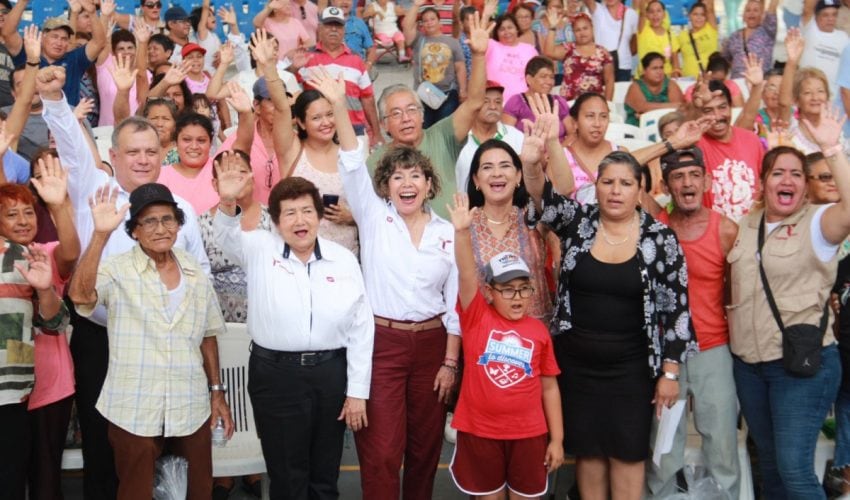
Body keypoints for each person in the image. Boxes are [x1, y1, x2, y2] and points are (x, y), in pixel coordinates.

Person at [38, 65, 210, 500]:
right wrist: (56, 100)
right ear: (113, 155)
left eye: (151, 151)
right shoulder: (93, 190)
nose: (142, 160)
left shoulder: (182, 209)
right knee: (103, 443)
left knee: (163, 449)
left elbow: (200, 281)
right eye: (132, 152)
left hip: (165, 346)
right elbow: (74, 146)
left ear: (163, 152)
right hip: (102, 339)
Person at [523, 148, 696, 500]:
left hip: (631, 370)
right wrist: (529, 163)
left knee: (628, 454)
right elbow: (542, 195)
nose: (616, 190)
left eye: (625, 183)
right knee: (589, 453)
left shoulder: (661, 240)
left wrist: (671, 373)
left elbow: (676, 311)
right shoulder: (578, 221)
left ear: (640, 190)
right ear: (596, 187)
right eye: (608, 182)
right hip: (578, 366)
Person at [327, 62, 460, 498]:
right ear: (385, 187)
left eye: (415, 176)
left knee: (424, 452)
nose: (407, 183)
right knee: (383, 452)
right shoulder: (373, 216)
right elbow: (350, 162)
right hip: (382, 345)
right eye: (397, 176)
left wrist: (449, 362)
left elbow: (454, 302)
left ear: (429, 184)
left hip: (432, 348)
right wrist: (336, 102)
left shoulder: (445, 232)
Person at [212, 154, 373, 498]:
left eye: (307, 211)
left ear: (318, 216)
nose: (300, 221)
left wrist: (357, 390)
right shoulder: (258, 248)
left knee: (325, 478)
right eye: (289, 213)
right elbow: (225, 238)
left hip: (331, 374)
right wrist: (228, 200)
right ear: (275, 220)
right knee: (287, 478)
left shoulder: (342, 259)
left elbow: (361, 327)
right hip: (276, 376)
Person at [68, 182, 231, 500]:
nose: (161, 228)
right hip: (134, 408)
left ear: (179, 224)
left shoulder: (194, 271)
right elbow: (79, 295)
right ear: (134, 232)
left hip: (190, 406)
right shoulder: (116, 270)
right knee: (135, 493)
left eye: (168, 219)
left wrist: (217, 393)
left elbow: (208, 335)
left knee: (198, 492)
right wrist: (100, 235)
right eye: (150, 221)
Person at [727, 107, 850, 499]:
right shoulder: (747, 223)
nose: (788, 179)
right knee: (772, 467)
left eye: (797, 173)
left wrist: (832, 148)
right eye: (778, 172)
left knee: (796, 471)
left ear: (806, 185)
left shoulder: (818, 222)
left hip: (800, 366)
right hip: (749, 366)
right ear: (763, 183)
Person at [447, 195, 564, 497]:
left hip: (528, 435)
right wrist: (461, 233)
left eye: (523, 288)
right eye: (507, 289)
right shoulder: (476, 318)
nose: (516, 297)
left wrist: (557, 439)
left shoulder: (538, 331)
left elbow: (549, 387)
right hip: (480, 432)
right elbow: (466, 272)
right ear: (489, 291)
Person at [644, 147, 741, 499]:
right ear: (666, 186)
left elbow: (733, 290)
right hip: (666, 349)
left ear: (707, 180)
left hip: (713, 347)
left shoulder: (726, 229)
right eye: (678, 177)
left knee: (721, 442)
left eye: (694, 175)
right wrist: (668, 145)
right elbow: (621, 162)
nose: (687, 183)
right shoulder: (656, 225)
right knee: (664, 445)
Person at [0, 153, 78, 500]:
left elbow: (56, 321)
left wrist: (59, 205)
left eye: (28, 212)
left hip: (28, 390)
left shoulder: (37, 256)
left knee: (28, 482)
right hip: (13, 392)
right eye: (11, 214)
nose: (21, 220)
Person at [366, 7, 491, 220]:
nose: (406, 118)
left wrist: (479, 56)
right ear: (384, 124)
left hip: (450, 243)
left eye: (411, 110)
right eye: (395, 114)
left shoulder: (443, 135)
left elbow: (476, 102)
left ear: (422, 115)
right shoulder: (375, 161)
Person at [0, 229, 69, 500]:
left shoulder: (21, 256)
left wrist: (44, 289)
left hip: (11, 396)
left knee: (10, 486)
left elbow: (56, 324)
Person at [464, 136, 554, 321]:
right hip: (486, 339)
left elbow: (565, 188)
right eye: (487, 167)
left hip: (535, 338)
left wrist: (548, 145)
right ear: (476, 180)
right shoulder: (464, 225)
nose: (497, 173)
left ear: (519, 175)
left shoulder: (534, 217)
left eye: (505, 165)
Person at [300, 7, 383, 147]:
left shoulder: (356, 60)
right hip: (319, 132)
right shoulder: (306, 58)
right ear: (320, 28)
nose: (333, 30)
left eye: (338, 26)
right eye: (329, 25)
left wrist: (377, 133)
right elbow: (290, 92)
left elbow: (368, 98)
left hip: (354, 129)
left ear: (344, 31)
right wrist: (292, 68)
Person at [694, 80, 765, 220]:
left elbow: (764, 185)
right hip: (714, 234)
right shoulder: (695, 144)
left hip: (752, 230)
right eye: (708, 111)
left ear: (731, 107)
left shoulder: (751, 139)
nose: (717, 117)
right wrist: (691, 108)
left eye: (722, 107)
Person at [779, 29, 847, 154]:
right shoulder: (791, 128)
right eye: (807, 93)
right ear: (796, 100)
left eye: (820, 91)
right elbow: (784, 103)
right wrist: (792, 62)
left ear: (827, 96)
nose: (815, 97)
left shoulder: (835, 129)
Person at [402, 2, 467, 128]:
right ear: (422, 25)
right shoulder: (418, 40)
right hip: (422, 95)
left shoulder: (452, 42)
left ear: (440, 22)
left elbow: (460, 67)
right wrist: (415, 5)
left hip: (447, 95)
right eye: (425, 20)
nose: (429, 22)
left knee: (444, 130)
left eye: (432, 19)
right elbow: (407, 26)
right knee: (424, 131)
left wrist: (463, 91)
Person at [455, 80, 525, 191]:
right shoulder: (457, 138)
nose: (493, 107)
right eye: (486, 101)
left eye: (498, 102)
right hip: (465, 206)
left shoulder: (516, 136)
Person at [544, 12, 613, 101]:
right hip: (569, 103)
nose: (582, 32)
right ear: (573, 32)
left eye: (585, 28)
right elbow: (548, 52)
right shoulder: (568, 49)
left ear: (592, 28)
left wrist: (607, 105)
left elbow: (609, 81)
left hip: (594, 104)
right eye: (578, 30)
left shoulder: (603, 53)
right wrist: (552, 28)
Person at [502, 57, 571, 142]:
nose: (549, 82)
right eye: (543, 76)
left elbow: (572, 134)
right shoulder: (516, 102)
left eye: (551, 77)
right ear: (529, 79)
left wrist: (557, 152)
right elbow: (506, 136)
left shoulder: (559, 102)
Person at [485, 13, 539, 102]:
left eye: (510, 28)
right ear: (496, 33)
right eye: (502, 29)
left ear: (517, 29)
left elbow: (537, 76)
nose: (506, 32)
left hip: (524, 101)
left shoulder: (530, 49)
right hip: (496, 102)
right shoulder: (491, 45)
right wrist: (486, 15)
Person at [800, 0, 848, 98]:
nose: (831, 19)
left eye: (834, 15)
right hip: (808, 95)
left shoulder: (844, 37)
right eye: (825, 15)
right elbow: (807, 9)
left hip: (833, 98)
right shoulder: (809, 30)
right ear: (816, 16)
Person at [583, 0, 638, 82]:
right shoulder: (598, 10)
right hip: (601, 65)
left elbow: (634, 43)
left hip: (623, 68)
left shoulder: (631, 14)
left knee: (621, 94)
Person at [721, 0, 779, 78]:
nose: (751, 13)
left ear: (762, 15)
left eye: (756, 10)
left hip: (760, 83)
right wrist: (738, 67)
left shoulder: (767, 31)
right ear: (743, 16)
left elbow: (771, 10)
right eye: (748, 10)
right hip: (737, 83)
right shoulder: (734, 36)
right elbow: (725, 57)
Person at [624, 52, 683, 126]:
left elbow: (679, 108)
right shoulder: (635, 87)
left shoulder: (670, 84)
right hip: (637, 129)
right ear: (644, 70)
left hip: (665, 126)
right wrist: (670, 106)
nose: (659, 72)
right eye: (654, 68)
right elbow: (642, 107)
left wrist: (646, 114)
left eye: (661, 68)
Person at [532, 0, 575, 85]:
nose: (556, 10)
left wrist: (552, 50)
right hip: (540, 74)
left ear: (563, 8)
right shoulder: (535, 25)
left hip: (564, 73)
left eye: (558, 7)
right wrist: (556, 48)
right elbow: (540, 52)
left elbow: (568, 52)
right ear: (546, 9)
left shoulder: (568, 27)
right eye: (552, 7)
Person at [634, 0, 681, 77]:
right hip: (644, 79)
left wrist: (676, 72)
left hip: (665, 79)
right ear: (647, 15)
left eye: (658, 11)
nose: (655, 15)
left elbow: (675, 59)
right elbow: (642, 12)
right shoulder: (643, 30)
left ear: (664, 14)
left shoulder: (670, 35)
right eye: (651, 12)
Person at [678, 1, 718, 79]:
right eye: (695, 14)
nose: (699, 17)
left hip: (710, 78)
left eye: (702, 15)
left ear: (706, 17)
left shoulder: (710, 28)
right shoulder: (682, 35)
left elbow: (710, 7)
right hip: (689, 79)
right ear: (689, 16)